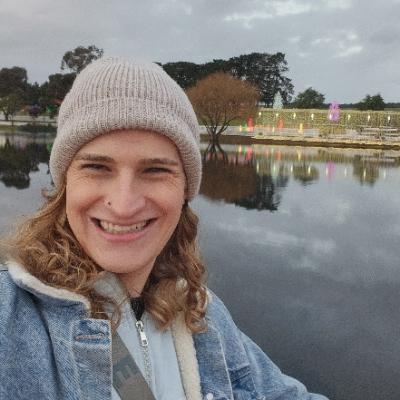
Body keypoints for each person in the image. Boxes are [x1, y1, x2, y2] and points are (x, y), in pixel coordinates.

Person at [0, 58, 328, 400]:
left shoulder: (200, 312)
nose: (124, 205)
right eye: (97, 167)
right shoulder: (10, 314)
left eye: (155, 170)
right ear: (65, 183)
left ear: (185, 190)